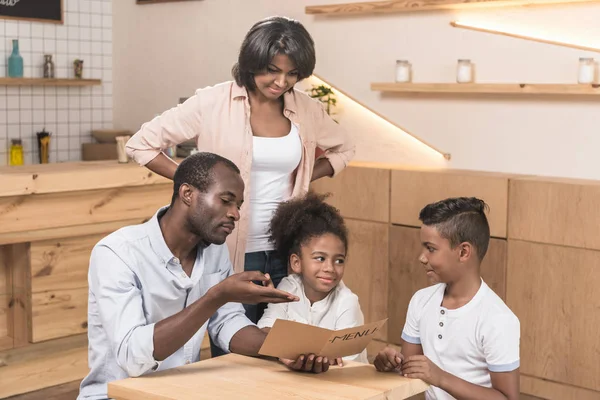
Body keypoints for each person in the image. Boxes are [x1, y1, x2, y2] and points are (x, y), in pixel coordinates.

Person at [125, 16, 355, 329]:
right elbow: (142, 145)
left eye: (292, 74)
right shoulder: (212, 102)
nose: (281, 82)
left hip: (288, 249)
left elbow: (344, 148)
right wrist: (198, 183)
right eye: (272, 70)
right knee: (236, 346)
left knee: (287, 344)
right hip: (229, 250)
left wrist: (301, 177)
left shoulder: (306, 109)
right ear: (252, 61)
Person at [78, 153, 332, 400]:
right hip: (116, 395)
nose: (236, 214)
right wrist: (217, 296)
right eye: (226, 200)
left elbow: (227, 323)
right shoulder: (117, 253)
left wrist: (284, 349)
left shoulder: (214, 250)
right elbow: (132, 357)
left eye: (239, 205)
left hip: (182, 391)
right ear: (187, 194)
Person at [374, 197, 520, 400]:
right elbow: (409, 371)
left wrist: (441, 378)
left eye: (430, 248)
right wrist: (390, 364)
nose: (422, 257)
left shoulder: (498, 319)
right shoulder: (420, 301)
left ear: (463, 252)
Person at [257, 192, 368, 365]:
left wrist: (289, 346)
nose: (330, 268)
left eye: (339, 260)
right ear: (296, 262)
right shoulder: (288, 287)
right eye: (320, 258)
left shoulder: (347, 302)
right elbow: (264, 330)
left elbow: (344, 363)